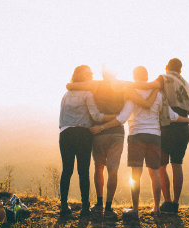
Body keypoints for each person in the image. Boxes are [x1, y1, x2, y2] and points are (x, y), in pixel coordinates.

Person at [90, 66, 189, 218]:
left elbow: (123, 117)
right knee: (155, 173)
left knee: (136, 174)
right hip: (155, 136)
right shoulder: (158, 94)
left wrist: (102, 127)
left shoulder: (132, 93)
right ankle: (157, 208)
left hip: (136, 136)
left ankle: (135, 209)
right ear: (147, 77)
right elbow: (171, 115)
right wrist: (187, 120)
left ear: (134, 76)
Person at [66, 65, 158, 218]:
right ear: (115, 72)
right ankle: (109, 208)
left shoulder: (96, 84)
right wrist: (156, 87)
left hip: (98, 132)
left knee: (99, 167)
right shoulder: (125, 85)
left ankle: (99, 204)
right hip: (117, 133)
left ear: (103, 74)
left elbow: (70, 86)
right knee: (113, 170)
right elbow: (143, 94)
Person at [131, 58, 189, 214]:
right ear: (180, 70)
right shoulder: (188, 85)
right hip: (183, 127)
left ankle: (165, 202)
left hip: (167, 126)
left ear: (167, 67)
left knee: (161, 165)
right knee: (177, 164)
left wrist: (127, 86)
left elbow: (149, 86)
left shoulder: (163, 78)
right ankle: (175, 204)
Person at [59, 65, 117, 217]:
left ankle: (64, 207)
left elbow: (62, 117)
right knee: (83, 171)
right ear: (82, 76)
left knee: (67, 170)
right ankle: (85, 207)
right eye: (88, 73)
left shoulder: (66, 94)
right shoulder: (88, 93)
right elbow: (96, 116)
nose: (91, 75)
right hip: (83, 134)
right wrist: (115, 117)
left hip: (65, 133)